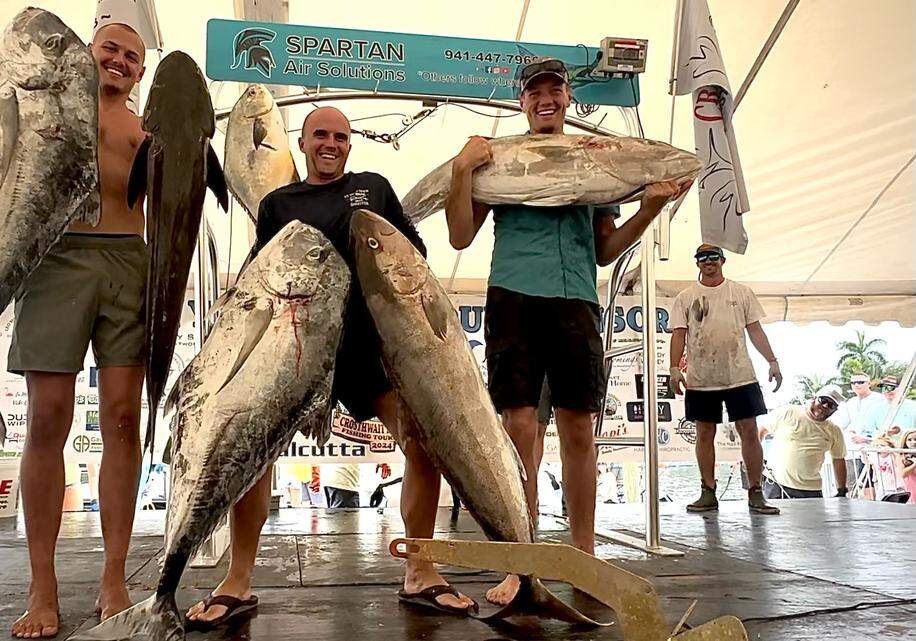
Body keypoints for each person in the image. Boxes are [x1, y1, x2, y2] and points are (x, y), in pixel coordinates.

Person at [185, 106, 477, 628]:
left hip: (370, 349)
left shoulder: (375, 188)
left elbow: (413, 256)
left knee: (424, 447)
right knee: (252, 460)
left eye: (340, 136)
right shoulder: (278, 203)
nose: (331, 143)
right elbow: (261, 274)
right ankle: (238, 579)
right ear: (301, 142)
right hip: (296, 354)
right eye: (320, 134)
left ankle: (421, 569)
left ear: (349, 144)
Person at [443, 57, 689, 605]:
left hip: (576, 299)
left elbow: (604, 250)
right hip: (514, 298)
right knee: (521, 429)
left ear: (568, 98)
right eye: (535, 92)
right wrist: (462, 172)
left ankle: (583, 557)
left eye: (555, 89)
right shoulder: (498, 160)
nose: (546, 99)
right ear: (522, 102)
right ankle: (520, 558)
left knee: (580, 430)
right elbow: (460, 236)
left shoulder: (595, 162)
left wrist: (647, 210)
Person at [7, 20, 148, 639]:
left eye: (132, 56)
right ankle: (43, 585)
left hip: (129, 259)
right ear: (88, 54)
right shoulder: (46, 104)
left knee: (123, 416)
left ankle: (114, 574)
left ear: (142, 71)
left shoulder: (149, 129)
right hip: (55, 256)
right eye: (110, 49)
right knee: (48, 416)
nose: (119, 60)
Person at [669, 244, 783, 515]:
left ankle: (756, 491)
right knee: (704, 433)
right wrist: (674, 367)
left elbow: (755, 329)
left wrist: (773, 361)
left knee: (749, 431)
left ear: (722, 260)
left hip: (740, 375)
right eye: (701, 257)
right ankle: (707, 491)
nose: (708, 262)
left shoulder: (741, 292)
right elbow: (678, 333)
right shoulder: (686, 297)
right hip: (701, 378)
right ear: (697, 263)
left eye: (712, 257)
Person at [759, 386, 848, 499]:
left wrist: (842, 490)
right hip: (776, 484)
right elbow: (760, 432)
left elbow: (838, 459)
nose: (825, 406)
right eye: (823, 400)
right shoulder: (788, 412)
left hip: (811, 490)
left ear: (834, 410)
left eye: (831, 405)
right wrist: (754, 459)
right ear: (813, 398)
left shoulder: (834, 430)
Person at [832, 372, 887, 494]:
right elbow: (842, 423)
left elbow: (884, 426)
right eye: (853, 383)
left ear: (869, 383)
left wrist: (866, 438)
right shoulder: (850, 402)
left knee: (871, 484)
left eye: (860, 382)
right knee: (851, 485)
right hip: (852, 450)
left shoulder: (879, 399)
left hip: (873, 450)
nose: (857, 385)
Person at [897, 430, 916, 504]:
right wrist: (914, 464)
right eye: (909, 440)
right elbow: (903, 474)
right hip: (911, 487)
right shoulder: (901, 455)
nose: (913, 442)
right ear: (905, 441)